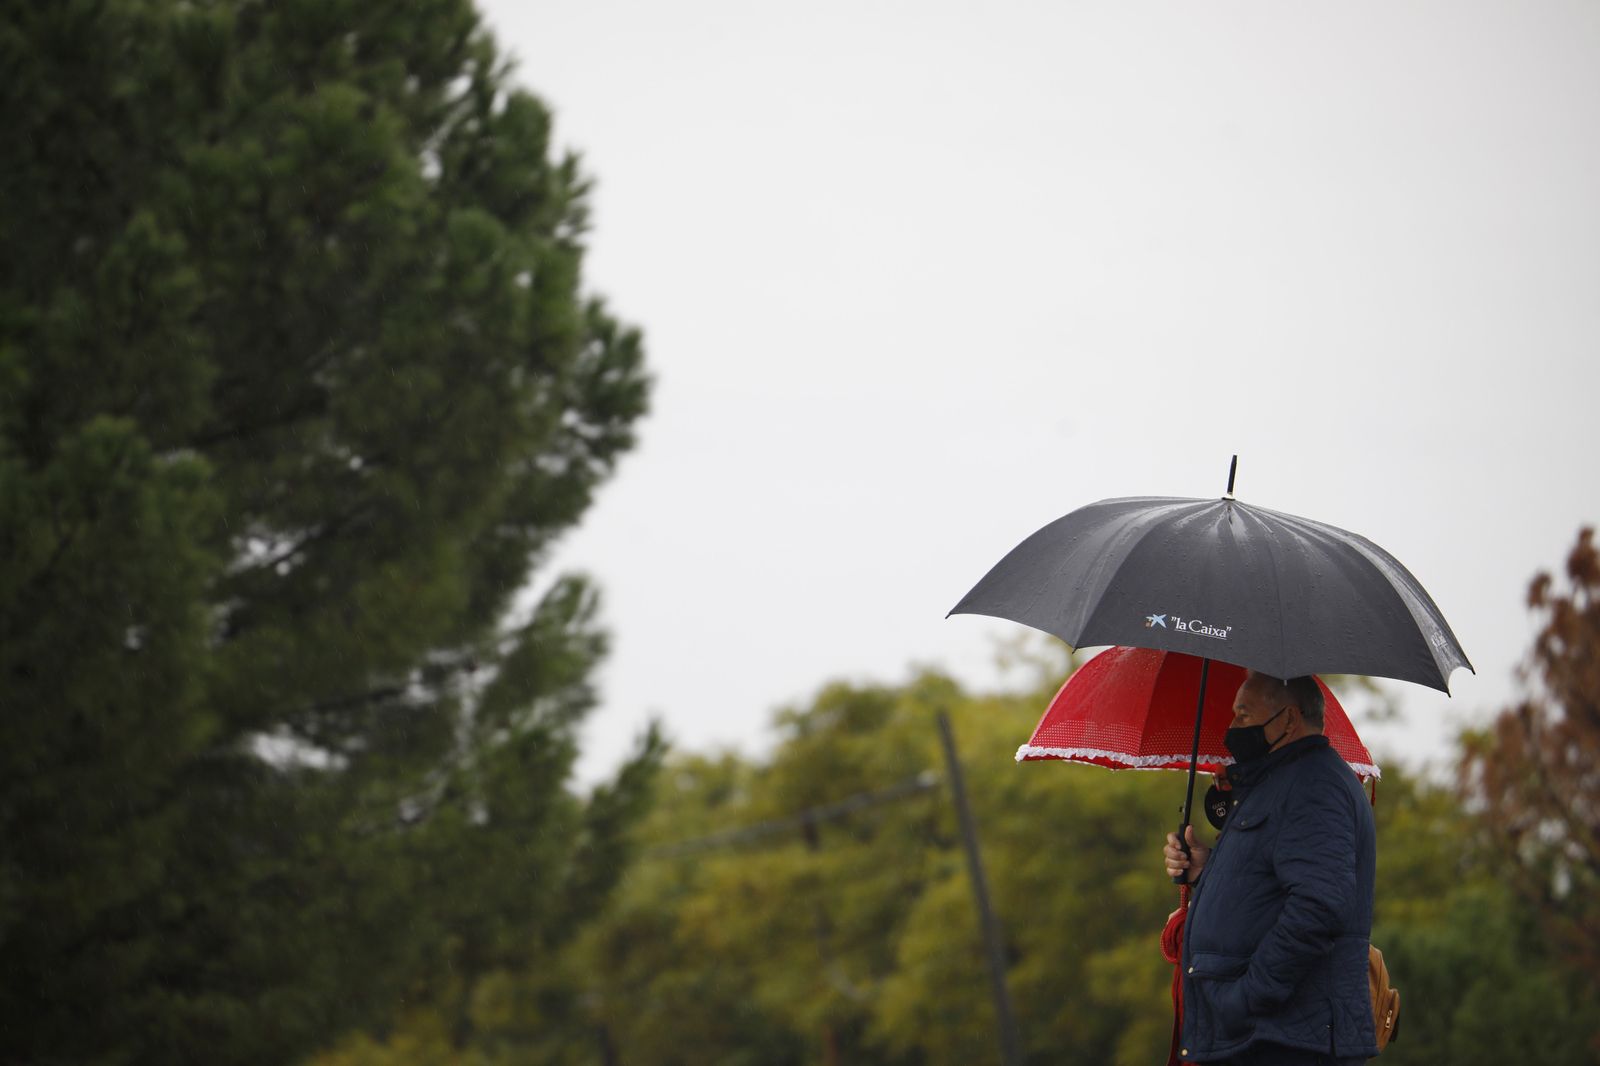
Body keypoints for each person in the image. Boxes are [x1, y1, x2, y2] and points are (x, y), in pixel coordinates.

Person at [1161, 672, 1378, 1065]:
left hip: (1283, 1041)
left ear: (1289, 719)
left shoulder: (1315, 785)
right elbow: (1271, 885)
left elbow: (1319, 905)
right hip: (1262, 1037)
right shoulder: (1280, 781)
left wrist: (1247, 997)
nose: (1231, 728)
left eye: (1243, 715)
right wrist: (1205, 872)